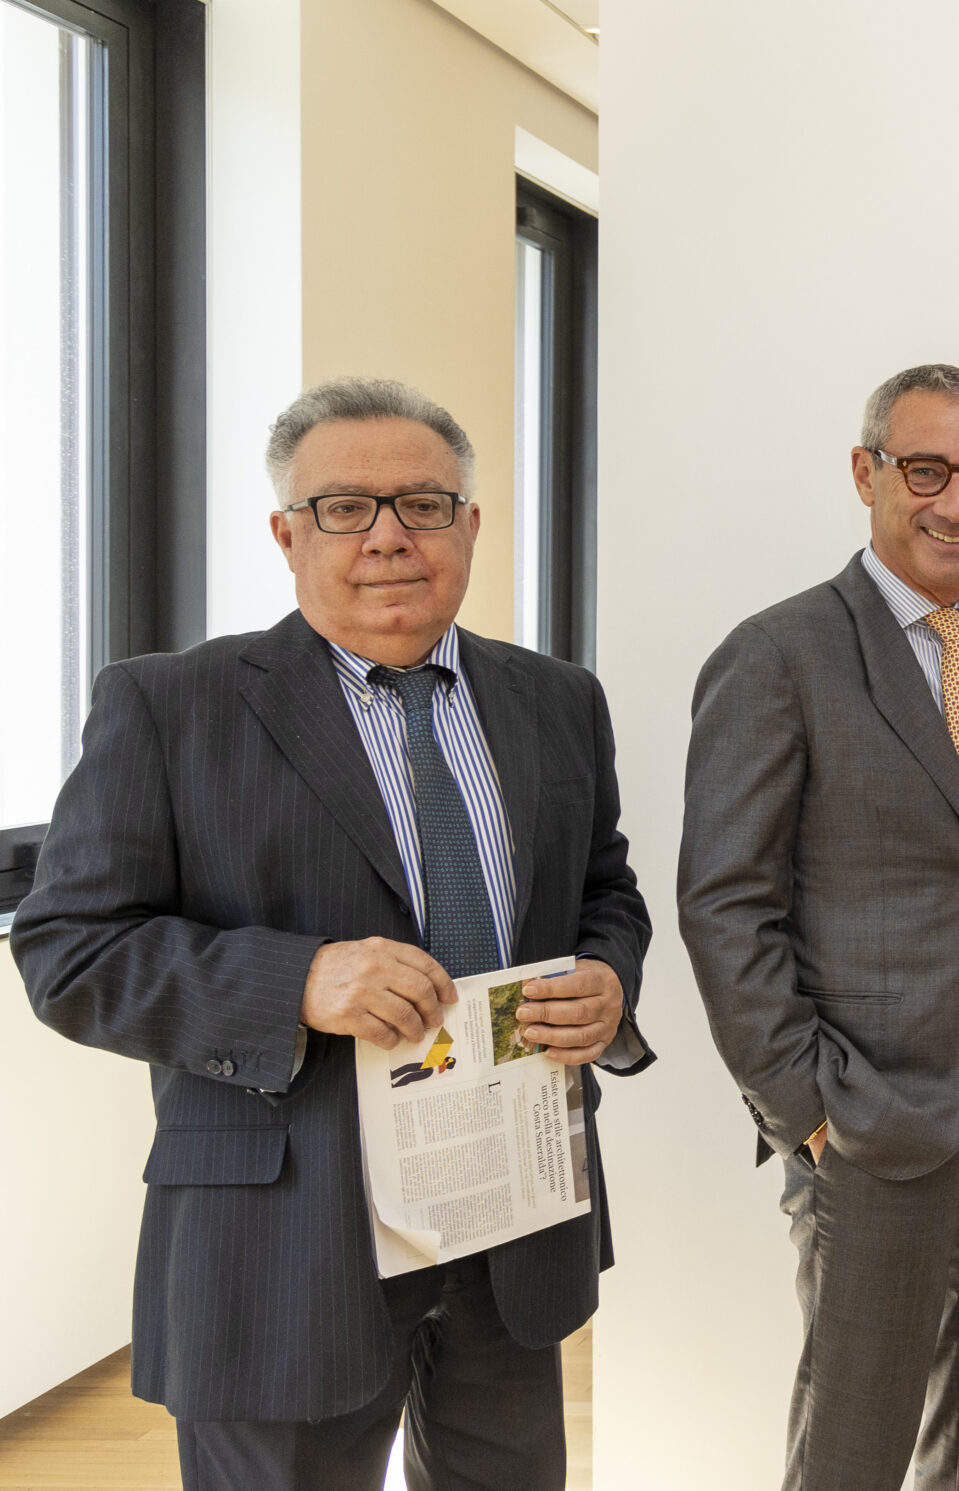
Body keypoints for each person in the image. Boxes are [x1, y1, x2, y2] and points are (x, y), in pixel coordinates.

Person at [11, 378, 653, 1491]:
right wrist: (297, 982)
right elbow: (70, 949)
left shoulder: (558, 700)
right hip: (286, 1242)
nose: (389, 537)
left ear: (470, 524)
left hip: (511, 1214)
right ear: (288, 535)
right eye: (345, 508)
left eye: (423, 505)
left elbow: (606, 886)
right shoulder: (170, 706)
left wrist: (608, 974)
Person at [679, 362, 959, 1491]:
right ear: (865, 472)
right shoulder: (778, 653)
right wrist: (808, 1112)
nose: (957, 502)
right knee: (852, 1450)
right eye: (926, 470)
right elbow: (726, 903)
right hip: (872, 1116)